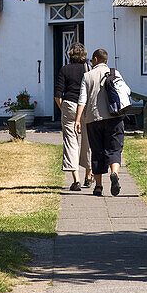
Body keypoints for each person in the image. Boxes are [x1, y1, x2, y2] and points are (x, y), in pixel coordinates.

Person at [74, 47, 125, 197]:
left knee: (97, 152)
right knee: (114, 149)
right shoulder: (115, 73)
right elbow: (124, 92)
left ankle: (98, 186)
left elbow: (82, 99)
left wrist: (78, 119)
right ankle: (114, 173)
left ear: (95, 60)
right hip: (114, 117)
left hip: (93, 119)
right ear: (106, 60)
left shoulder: (87, 76)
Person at [54, 41, 94, 191]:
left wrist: (63, 108)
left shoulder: (65, 69)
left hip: (70, 105)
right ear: (84, 54)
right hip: (86, 107)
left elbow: (57, 94)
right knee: (88, 141)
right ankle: (88, 177)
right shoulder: (89, 69)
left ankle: (76, 180)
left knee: (71, 141)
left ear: (70, 54)